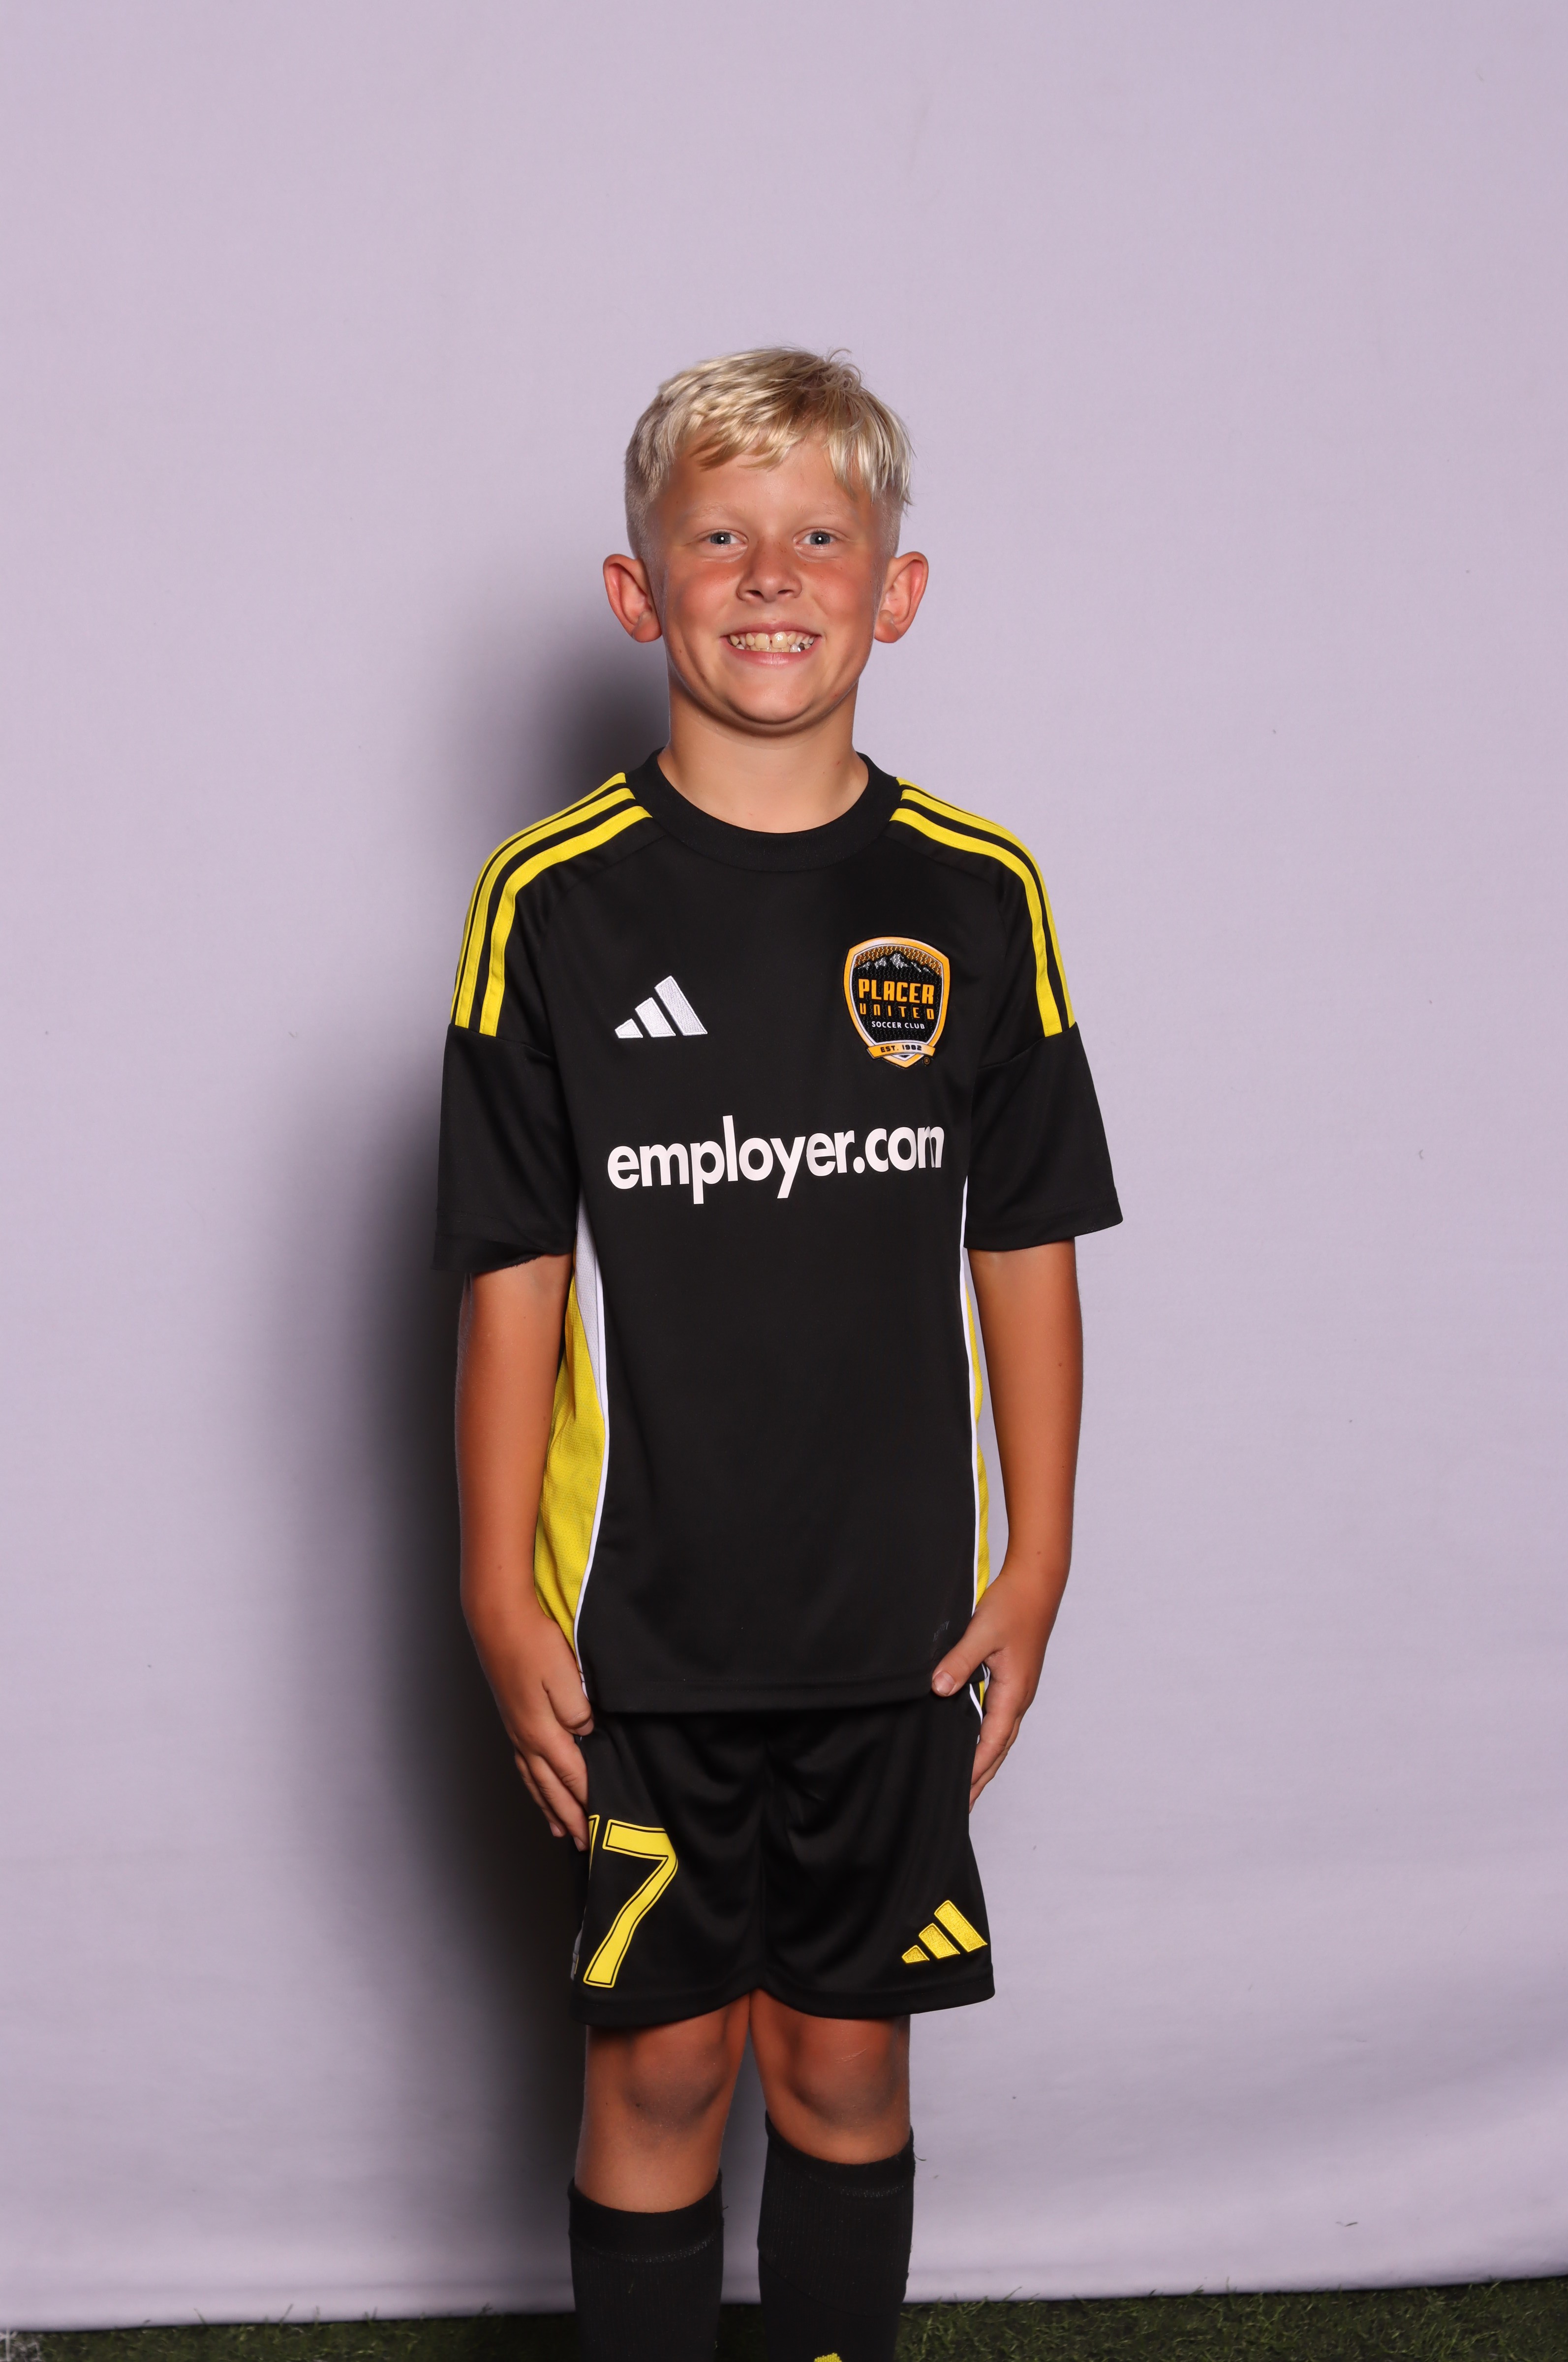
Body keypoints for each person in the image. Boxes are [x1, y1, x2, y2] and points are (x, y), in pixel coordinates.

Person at [434, 347, 1121, 2362]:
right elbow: (509, 1273)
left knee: (841, 2061)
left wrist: (1039, 1557)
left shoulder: (975, 893)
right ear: (635, 590)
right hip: (639, 1630)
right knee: (661, 2067)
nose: (768, 574)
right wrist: (491, 1589)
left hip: (892, 1622)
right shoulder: (547, 903)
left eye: (819, 534)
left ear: (893, 591)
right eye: (718, 535)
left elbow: (1024, 1240)